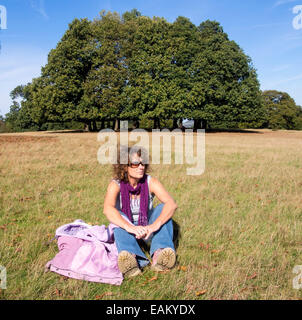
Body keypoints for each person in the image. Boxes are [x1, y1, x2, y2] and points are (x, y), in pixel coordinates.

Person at [103, 145, 178, 278]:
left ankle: (159, 255)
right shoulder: (116, 185)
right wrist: (130, 227)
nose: (141, 167)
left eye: (143, 163)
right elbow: (107, 209)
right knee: (118, 217)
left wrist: (154, 226)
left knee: (162, 209)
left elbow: (171, 204)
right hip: (128, 231)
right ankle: (132, 259)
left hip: (149, 229)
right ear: (124, 166)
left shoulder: (151, 182)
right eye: (136, 163)